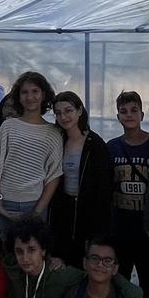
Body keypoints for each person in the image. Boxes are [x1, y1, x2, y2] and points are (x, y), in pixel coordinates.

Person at [0, 71, 65, 233]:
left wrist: (37, 211)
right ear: (18, 96)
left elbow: (54, 175)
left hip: (34, 204)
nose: (30, 97)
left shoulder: (54, 132)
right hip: (4, 202)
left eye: (35, 91)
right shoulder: (8, 126)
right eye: (25, 92)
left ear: (43, 95)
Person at [48, 90, 116, 271]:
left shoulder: (95, 144)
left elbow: (103, 188)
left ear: (80, 111)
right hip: (63, 208)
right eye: (59, 113)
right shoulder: (57, 140)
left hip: (89, 211)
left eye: (68, 110)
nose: (64, 117)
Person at [107, 90, 149, 298]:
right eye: (123, 111)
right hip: (121, 227)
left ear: (142, 114)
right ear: (118, 117)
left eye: (133, 110)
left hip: (148, 228)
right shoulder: (112, 147)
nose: (129, 115)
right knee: (119, 283)